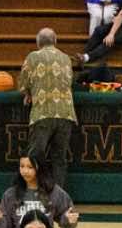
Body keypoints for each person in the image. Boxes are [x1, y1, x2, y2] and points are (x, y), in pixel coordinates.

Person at [18, 29, 78, 187]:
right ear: (55, 42)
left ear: (38, 43)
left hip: (43, 113)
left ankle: (32, 192)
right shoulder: (66, 58)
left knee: (34, 157)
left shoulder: (33, 57)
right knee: (59, 159)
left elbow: (23, 82)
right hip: (66, 114)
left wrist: (28, 93)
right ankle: (57, 196)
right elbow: (69, 82)